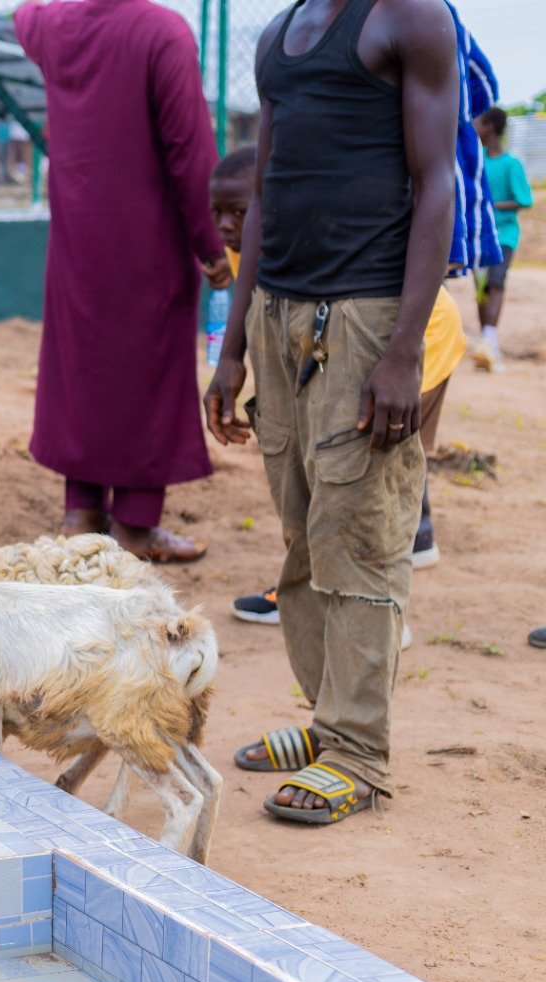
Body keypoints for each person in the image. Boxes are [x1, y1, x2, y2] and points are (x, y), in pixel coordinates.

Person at [204, 0, 457, 825]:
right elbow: (267, 195)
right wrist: (235, 342)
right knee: (304, 536)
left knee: (362, 536)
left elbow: (436, 182)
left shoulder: (407, 18)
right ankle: (329, 724)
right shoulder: (282, 32)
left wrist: (403, 350)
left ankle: (358, 753)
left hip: (365, 316)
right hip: (280, 313)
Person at [210, 146, 465, 628]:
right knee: (381, 469)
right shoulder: (245, 242)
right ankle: (417, 540)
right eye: (217, 213)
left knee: (348, 480)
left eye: (240, 213)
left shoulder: (292, 238)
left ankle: (367, 618)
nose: (227, 225)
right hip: (420, 337)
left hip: (415, 346)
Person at [13, 0, 229, 563]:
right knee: (146, 373)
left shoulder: (52, 25)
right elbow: (190, 149)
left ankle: (81, 509)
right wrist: (212, 243)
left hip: (75, 242)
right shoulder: (163, 33)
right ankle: (134, 525)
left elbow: (24, 15)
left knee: (81, 367)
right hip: (148, 240)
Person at [473, 107, 533, 372]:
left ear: (490, 127)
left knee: (495, 284)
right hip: (479, 235)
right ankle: (487, 344)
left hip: (504, 235)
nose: (474, 126)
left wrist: (491, 204)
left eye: (479, 122)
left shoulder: (511, 164)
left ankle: (489, 340)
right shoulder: (478, 160)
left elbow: (524, 200)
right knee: (481, 291)